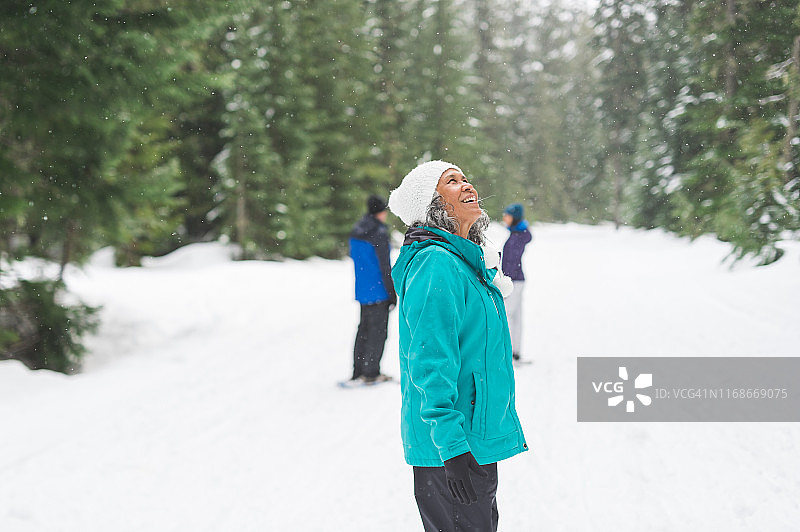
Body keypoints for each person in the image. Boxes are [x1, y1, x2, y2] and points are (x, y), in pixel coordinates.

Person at [388, 160, 528, 532]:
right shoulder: (436, 264)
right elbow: (429, 363)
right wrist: (451, 448)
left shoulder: (463, 260)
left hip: (470, 440)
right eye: (452, 181)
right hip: (452, 445)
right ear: (432, 204)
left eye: (466, 177)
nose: (467, 185)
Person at [348, 194, 396, 384]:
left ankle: (358, 370)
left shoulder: (357, 229)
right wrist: (392, 293)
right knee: (378, 333)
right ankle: (371, 373)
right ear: (380, 211)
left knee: (364, 330)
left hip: (363, 290)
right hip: (379, 290)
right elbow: (385, 266)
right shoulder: (378, 232)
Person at [501, 203, 532, 363]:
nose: (504, 218)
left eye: (507, 215)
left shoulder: (517, 236)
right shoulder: (516, 234)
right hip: (516, 280)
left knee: (506, 315)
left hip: (514, 281)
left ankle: (508, 352)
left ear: (515, 217)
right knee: (515, 316)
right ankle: (515, 351)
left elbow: (511, 262)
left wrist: (504, 282)